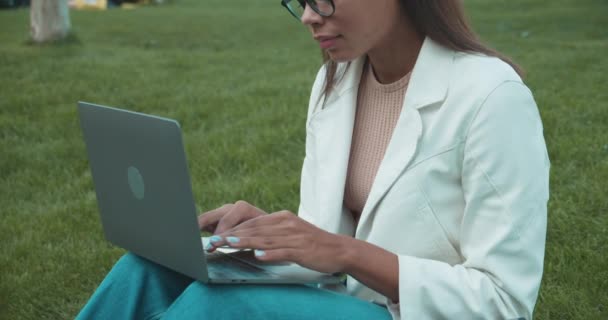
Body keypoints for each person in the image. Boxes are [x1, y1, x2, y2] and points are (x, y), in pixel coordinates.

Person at [76, 0, 550, 319]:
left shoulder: (492, 96)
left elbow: (503, 301)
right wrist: (272, 239)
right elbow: (335, 239)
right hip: (341, 299)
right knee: (147, 268)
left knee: (217, 305)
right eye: (300, 0)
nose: (307, 16)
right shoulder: (335, 83)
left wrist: (344, 252)